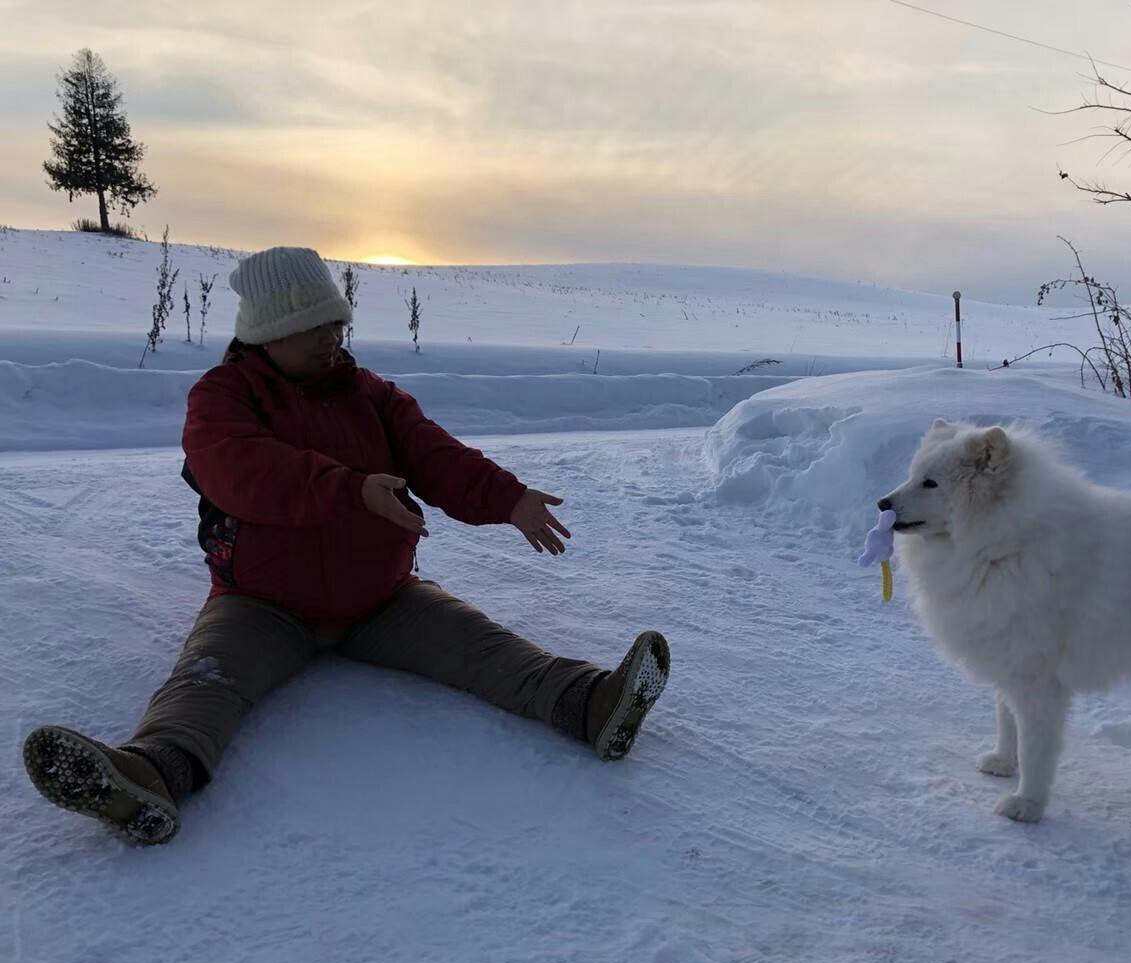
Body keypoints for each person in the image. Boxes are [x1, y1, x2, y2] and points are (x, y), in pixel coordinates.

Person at [22, 246, 670, 846]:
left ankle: (592, 705)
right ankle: (148, 778)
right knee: (209, 681)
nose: (332, 337)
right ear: (268, 332)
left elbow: (434, 453)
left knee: (484, 649)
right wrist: (350, 489)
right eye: (314, 327)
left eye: (336, 323)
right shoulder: (221, 399)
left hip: (379, 598)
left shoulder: (372, 395)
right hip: (261, 602)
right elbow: (245, 472)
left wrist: (508, 498)